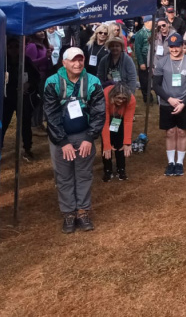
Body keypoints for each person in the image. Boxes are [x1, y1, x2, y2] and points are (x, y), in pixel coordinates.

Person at [42, 47, 105, 233]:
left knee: (84, 174)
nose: (77, 63)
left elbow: (99, 112)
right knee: (63, 176)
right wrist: (62, 142)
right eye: (73, 60)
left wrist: (89, 137)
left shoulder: (93, 82)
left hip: (84, 136)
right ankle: (68, 213)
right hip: (60, 138)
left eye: (80, 59)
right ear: (64, 63)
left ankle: (83, 211)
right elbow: (51, 115)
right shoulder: (52, 82)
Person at [152, 33, 186, 177]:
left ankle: (180, 163)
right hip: (167, 104)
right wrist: (169, 99)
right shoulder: (162, 63)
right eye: (171, 47)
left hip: (185, 103)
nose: (174, 49)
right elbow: (156, 85)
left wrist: (183, 103)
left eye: (177, 46)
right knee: (170, 132)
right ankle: (171, 162)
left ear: (182, 46)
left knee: (182, 132)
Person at [100, 82, 135, 182]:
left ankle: (121, 169)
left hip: (120, 119)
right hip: (108, 118)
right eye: (118, 98)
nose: (121, 101)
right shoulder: (105, 95)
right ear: (112, 96)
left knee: (120, 142)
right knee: (106, 146)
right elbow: (105, 122)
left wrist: (127, 142)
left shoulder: (131, 99)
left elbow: (128, 121)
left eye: (124, 98)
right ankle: (107, 170)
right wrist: (107, 144)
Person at [134, 18, 152, 104]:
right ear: (147, 22)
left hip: (152, 59)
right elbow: (137, 49)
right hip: (144, 58)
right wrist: (141, 62)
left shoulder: (154, 32)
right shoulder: (140, 33)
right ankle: (146, 97)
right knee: (144, 80)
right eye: (153, 21)